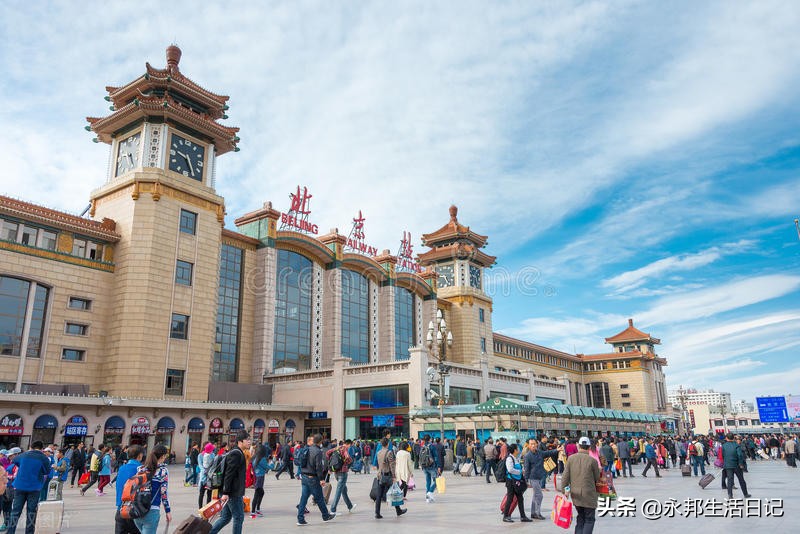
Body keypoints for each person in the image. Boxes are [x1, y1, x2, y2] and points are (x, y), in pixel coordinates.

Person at [209, 430, 250, 534]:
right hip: (232, 493)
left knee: (226, 517)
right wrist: (226, 492)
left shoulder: (237, 452)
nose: (249, 442)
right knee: (238, 517)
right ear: (240, 441)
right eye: (247, 440)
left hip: (230, 491)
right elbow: (229, 474)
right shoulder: (236, 453)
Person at [559, 436, 601, 534]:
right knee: (589, 519)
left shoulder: (571, 459)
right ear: (589, 447)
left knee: (580, 518)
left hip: (576, 495)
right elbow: (597, 478)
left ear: (578, 446)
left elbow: (565, 477)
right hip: (589, 495)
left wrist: (564, 491)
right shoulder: (592, 461)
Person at [7, 441, 51, 534]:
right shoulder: (44, 458)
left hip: (20, 486)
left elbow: (14, 460)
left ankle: (10, 532)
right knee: (31, 512)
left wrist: (24, 467)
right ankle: (29, 532)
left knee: (15, 511)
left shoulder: (23, 455)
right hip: (34, 487)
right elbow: (47, 471)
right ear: (42, 448)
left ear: (31, 447)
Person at [296, 434, 336, 526]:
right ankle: (325, 516)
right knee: (320, 498)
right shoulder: (318, 451)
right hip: (313, 478)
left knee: (303, 498)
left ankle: (300, 519)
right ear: (320, 441)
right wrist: (321, 479)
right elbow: (318, 467)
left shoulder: (307, 449)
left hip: (304, 477)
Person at [133, 444, 171, 534]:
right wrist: (168, 511)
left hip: (137, 509)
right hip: (152, 510)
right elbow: (163, 493)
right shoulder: (163, 471)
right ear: (162, 456)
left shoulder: (140, 469)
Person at [523, 439, 560, 521]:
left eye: (534, 444)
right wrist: (526, 480)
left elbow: (547, 453)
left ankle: (533, 513)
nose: (533, 445)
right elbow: (526, 469)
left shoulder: (539, 452)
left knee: (535, 495)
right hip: (533, 478)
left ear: (537, 444)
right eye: (531, 444)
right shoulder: (527, 456)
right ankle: (537, 513)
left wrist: (556, 450)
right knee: (539, 495)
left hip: (540, 476)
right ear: (528, 445)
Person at [374, 438, 407, 519]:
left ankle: (377, 513)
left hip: (380, 476)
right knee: (394, 493)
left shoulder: (378, 453)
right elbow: (392, 465)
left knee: (379, 495)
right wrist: (394, 476)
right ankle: (398, 510)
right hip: (388, 476)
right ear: (387, 444)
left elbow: (379, 464)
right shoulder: (389, 452)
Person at [114, 445, 143, 534]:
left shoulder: (122, 468)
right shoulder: (141, 469)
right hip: (135, 511)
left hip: (121, 509)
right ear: (140, 455)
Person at [501, 443, 530, 523]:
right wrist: (520, 472)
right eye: (517, 449)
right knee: (510, 498)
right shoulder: (509, 458)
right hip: (511, 482)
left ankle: (523, 516)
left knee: (520, 498)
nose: (519, 450)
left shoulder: (515, 458)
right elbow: (510, 470)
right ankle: (505, 516)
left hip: (516, 481)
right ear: (515, 450)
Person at [327, 439, 355, 514]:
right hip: (342, 473)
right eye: (350, 445)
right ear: (348, 444)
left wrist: (331, 463)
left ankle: (350, 506)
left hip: (336, 472)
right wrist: (347, 462)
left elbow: (327, 453)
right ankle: (333, 510)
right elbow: (348, 458)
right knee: (339, 492)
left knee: (344, 490)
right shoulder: (345, 449)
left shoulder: (337, 448)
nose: (349, 447)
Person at [722, 433, 750, 499]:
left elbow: (723, 455)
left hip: (728, 465)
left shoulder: (724, 446)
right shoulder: (736, 445)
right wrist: (741, 464)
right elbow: (740, 455)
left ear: (727, 438)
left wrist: (726, 462)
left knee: (730, 480)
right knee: (741, 479)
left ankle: (730, 495)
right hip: (736, 465)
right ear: (733, 438)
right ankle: (745, 494)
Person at [250, 440, 271, 519]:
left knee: (261, 493)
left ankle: (257, 509)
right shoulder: (262, 459)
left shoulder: (254, 458)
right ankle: (253, 511)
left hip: (257, 477)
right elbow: (268, 467)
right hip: (260, 478)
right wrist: (272, 463)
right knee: (257, 494)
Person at [419, 436, 438, 503]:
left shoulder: (422, 446)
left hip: (424, 466)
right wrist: (437, 466)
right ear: (430, 439)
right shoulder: (432, 446)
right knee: (437, 481)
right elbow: (436, 457)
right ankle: (430, 492)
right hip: (431, 466)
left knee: (428, 481)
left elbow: (420, 456)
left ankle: (427, 498)